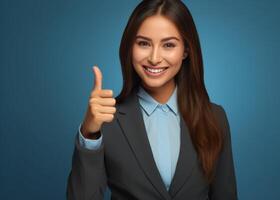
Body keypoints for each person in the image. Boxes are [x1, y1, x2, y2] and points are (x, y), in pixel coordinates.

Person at [67, 0, 237, 199]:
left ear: (186, 51)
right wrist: (89, 134)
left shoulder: (215, 117)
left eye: (168, 45)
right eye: (144, 43)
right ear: (130, 47)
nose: (155, 58)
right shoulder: (107, 120)